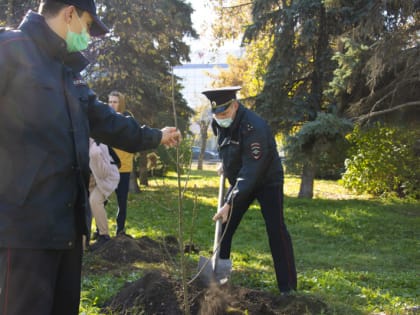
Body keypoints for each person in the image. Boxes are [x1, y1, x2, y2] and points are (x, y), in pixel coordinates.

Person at [0, 1, 181, 314]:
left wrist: (155, 136)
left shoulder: (68, 71)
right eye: (86, 25)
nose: (87, 36)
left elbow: (106, 121)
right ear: (70, 13)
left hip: (68, 228)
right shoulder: (10, 50)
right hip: (25, 228)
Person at [202, 86, 297, 295]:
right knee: (224, 225)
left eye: (224, 113)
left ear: (235, 105)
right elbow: (227, 148)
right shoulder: (219, 122)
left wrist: (229, 202)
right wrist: (225, 163)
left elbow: (252, 171)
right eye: (216, 114)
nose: (220, 118)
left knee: (276, 229)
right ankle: (219, 279)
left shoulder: (254, 128)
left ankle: (287, 287)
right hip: (241, 179)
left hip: (267, 181)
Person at [108, 91, 135, 236]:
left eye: (115, 102)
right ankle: (101, 231)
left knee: (121, 201)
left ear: (121, 103)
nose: (112, 104)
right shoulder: (104, 119)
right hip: (107, 166)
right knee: (101, 200)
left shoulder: (127, 120)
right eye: (110, 101)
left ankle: (120, 231)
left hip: (123, 168)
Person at [88, 138, 120, 250]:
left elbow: (103, 173)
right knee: (86, 206)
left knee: (95, 201)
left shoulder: (96, 148)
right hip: (94, 177)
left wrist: (94, 157)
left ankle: (104, 236)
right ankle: (83, 240)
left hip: (107, 177)